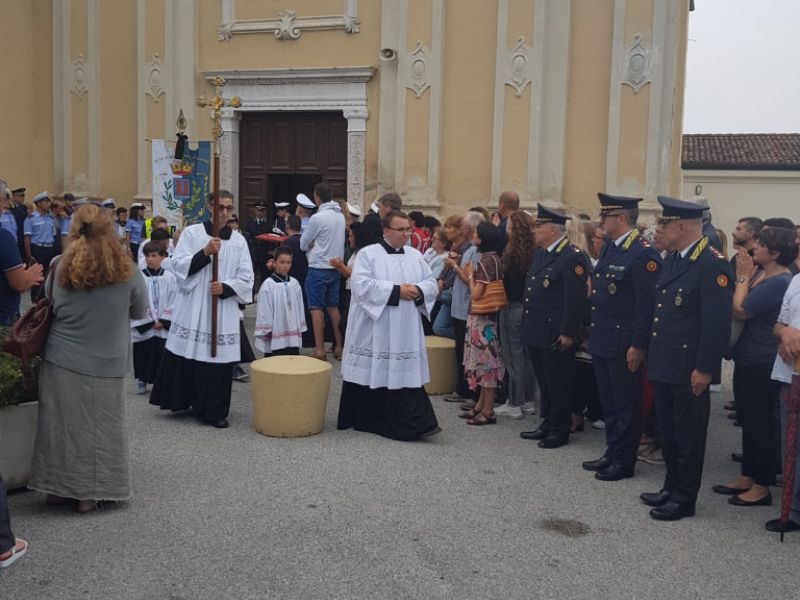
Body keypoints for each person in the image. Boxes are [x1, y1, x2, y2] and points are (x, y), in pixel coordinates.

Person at [29, 203, 149, 514]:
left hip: (61, 357)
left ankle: (57, 490)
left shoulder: (59, 265)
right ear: (110, 232)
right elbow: (139, 312)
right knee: (101, 430)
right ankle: (89, 495)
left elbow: (49, 304)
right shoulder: (127, 270)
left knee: (60, 429)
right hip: (107, 361)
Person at [641, 196, 733, 521]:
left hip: (688, 366)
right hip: (666, 362)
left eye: (664, 223)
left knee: (689, 436)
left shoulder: (711, 262)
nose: (660, 228)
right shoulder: (676, 259)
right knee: (668, 430)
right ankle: (671, 485)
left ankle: (684, 498)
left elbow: (717, 323)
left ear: (681, 226)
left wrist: (705, 368)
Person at [148, 191, 254, 429]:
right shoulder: (193, 233)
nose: (225, 213)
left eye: (229, 208)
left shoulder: (238, 241)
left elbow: (247, 277)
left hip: (221, 308)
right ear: (209, 207)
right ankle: (191, 401)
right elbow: (178, 266)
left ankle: (214, 410)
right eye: (220, 208)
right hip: (195, 304)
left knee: (217, 359)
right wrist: (205, 253)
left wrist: (225, 287)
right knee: (193, 354)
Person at [337, 211, 440, 440]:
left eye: (408, 230)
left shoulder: (415, 255)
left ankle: (411, 423)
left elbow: (431, 283)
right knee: (375, 366)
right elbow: (360, 285)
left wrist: (419, 290)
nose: (406, 234)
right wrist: (396, 291)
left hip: (405, 326)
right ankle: (367, 419)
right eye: (401, 230)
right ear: (386, 231)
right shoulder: (368, 255)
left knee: (401, 373)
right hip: (377, 326)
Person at [712, 227, 795, 507]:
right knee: (747, 419)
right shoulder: (764, 274)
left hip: (761, 360)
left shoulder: (778, 281)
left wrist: (743, 277)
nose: (754, 248)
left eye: (761, 245)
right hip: (748, 357)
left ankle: (761, 485)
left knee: (760, 422)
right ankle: (748, 474)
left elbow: (740, 308)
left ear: (775, 252)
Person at [581, 194, 661, 481]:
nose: (602, 222)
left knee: (626, 403)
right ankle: (613, 451)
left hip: (624, 341)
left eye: (606, 217)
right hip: (603, 337)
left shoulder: (642, 253)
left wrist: (639, 345)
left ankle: (624, 461)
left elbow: (646, 305)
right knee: (610, 401)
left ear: (622, 219)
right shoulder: (611, 249)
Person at [519, 204, 590, 449]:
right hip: (536, 328)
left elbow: (575, 299)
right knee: (545, 382)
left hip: (555, 331)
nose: (534, 231)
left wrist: (568, 332)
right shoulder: (541, 253)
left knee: (559, 383)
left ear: (551, 229)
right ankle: (547, 422)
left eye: (539, 226)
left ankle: (560, 429)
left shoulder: (572, 256)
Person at [460, 222, 505, 425]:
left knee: (486, 364)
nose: (473, 236)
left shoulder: (486, 261)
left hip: (482, 318)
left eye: (477, 234)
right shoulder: (493, 258)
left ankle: (488, 410)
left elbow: (477, 293)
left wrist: (470, 275)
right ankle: (481, 404)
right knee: (484, 362)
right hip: (485, 317)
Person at [494, 211, 537, 420]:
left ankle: (514, 401)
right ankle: (528, 399)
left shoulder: (511, 252)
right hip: (526, 307)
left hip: (511, 306)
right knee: (526, 357)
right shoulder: (534, 251)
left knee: (513, 356)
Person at [300, 182, 346, 361]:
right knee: (333, 307)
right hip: (335, 267)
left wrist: (311, 244)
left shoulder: (317, 218)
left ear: (317, 197)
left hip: (318, 266)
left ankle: (319, 350)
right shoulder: (340, 216)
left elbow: (303, 243)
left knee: (316, 308)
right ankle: (339, 346)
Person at [444, 211, 484, 402]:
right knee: (461, 350)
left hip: (467, 305)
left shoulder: (475, 250)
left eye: (462, 226)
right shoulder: (470, 249)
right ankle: (463, 388)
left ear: (469, 228)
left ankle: (468, 391)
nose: (460, 228)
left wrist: (454, 266)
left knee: (466, 352)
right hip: (460, 305)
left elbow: (470, 278)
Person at [131, 241, 177, 395]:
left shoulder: (170, 278)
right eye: (147, 256)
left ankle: (160, 381)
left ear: (163, 257)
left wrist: (163, 321)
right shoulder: (138, 277)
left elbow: (174, 300)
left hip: (163, 323)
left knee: (161, 351)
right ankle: (142, 379)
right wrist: (150, 321)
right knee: (144, 351)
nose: (149, 259)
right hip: (147, 323)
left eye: (154, 255)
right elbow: (136, 300)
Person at [255, 246, 306, 357]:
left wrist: (300, 325)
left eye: (288, 262)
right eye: (282, 262)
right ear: (274, 262)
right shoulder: (268, 285)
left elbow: (300, 306)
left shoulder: (294, 283)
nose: (285, 266)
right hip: (275, 332)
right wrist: (267, 329)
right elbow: (264, 309)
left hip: (292, 332)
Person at [23, 191, 57, 302]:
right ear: (38, 203)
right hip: (38, 249)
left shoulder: (50, 218)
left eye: (48, 202)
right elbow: (27, 238)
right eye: (45, 202)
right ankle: (36, 299)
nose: (48, 204)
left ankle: (46, 298)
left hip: (49, 248)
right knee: (37, 276)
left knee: (49, 275)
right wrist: (29, 255)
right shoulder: (31, 219)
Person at [245, 202, 272, 290]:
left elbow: (271, 237)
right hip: (253, 252)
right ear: (255, 210)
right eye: (258, 210)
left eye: (262, 210)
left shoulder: (269, 223)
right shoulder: (249, 222)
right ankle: (251, 296)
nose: (260, 212)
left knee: (265, 276)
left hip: (265, 253)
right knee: (251, 275)